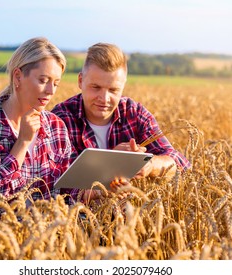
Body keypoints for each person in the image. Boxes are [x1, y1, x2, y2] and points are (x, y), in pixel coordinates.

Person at [0, 37, 79, 221]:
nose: (51, 91)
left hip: (45, 241)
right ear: (18, 76)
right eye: (43, 80)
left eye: (56, 83)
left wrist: (97, 189)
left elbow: (66, 189)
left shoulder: (56, 126)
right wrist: (23, 142)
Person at [51, 42, 191, 195]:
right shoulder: (61, 118)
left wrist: (150, 164)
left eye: (113, 90)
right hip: (77, 217)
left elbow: (181, 165)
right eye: (96, 87)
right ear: (80, 81)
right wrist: (112, 162)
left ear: (123, 87)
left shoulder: (134, 113)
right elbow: (56, 183)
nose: (104, 99)